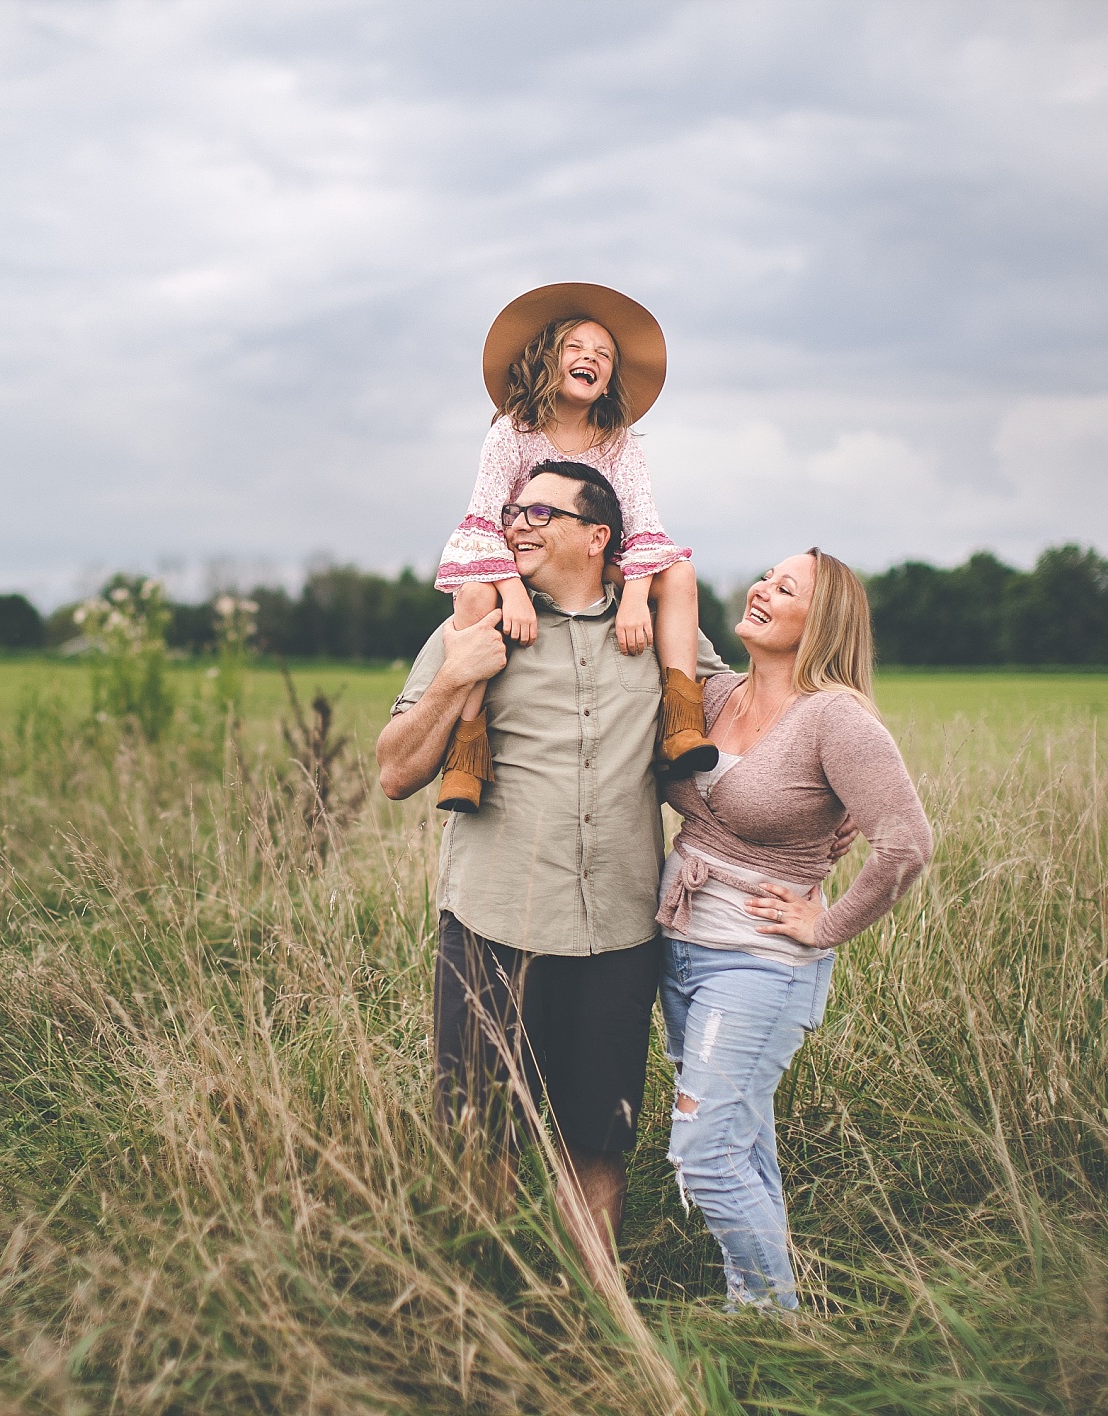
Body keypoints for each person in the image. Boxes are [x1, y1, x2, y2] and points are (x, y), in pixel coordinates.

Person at [378, 460, 667, 1271]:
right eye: (512, 511)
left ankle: (595, 1317)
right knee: (482, 1135)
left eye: (540, 512)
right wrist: (453, 683)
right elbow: (395, 771)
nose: (517, 525)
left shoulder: (660, 633)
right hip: (492, 925)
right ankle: (481, 1315)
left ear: (596, 534)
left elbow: (722, 738)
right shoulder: (474, 627)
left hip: (620, 929)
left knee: (598, 1138)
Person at [653, 548, 933, 1311]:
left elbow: (907, 844)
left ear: (825, 621)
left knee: (705, 1156)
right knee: (739, 1140)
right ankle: (760, 1316)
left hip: (759, 967)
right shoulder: (712, 694)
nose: (762, 589)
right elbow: (657, 591)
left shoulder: (833, 719)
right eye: (764, 576)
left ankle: (775, 1313)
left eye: (787, 587)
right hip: (681, 955)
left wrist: (827, 924)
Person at [432, 282, 723, 813]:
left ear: (609, 380)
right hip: (516, 558)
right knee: (471, 597)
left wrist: (636, 598)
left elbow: (643, 528)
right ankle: (466, 752)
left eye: (604, 355)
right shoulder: (512, 432)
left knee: (678, 573)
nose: (590, 357)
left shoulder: (619, 444)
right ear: (549, 360)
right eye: (576, 348)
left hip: (598, 561)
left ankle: (682, 722)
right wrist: (512, 594)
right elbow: (482, 520)